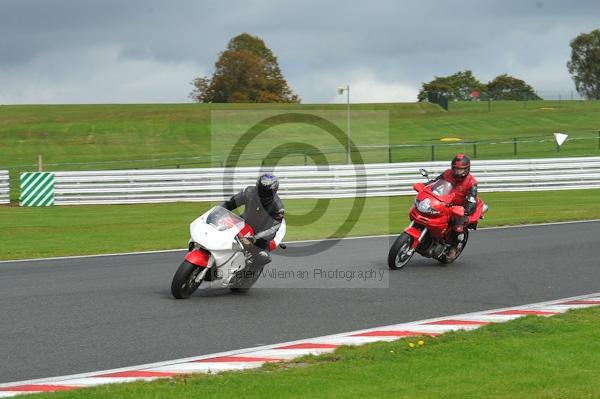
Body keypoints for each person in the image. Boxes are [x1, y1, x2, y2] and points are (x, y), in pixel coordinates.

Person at [222, 173, 285, 269]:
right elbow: (232, 202)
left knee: (263, 257)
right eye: (261, 190)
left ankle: (246, 272)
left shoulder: (278, 207)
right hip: (243, 222)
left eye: (266, 192)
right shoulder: (249, 192)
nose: (262, 193)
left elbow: (273, 229)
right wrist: (217, 211)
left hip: (260, 233)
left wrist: (255, 238)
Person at [433, 154, 478, 259]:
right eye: (456, 169)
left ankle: (453, 247)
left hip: (460, 208)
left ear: (467, 169)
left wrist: (465, 211)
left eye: (461, 169)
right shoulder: (447, 173)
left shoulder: (471, 182)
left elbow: (472, 200)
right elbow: (435, 182)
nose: (458, 172)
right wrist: (424, 185)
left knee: (458, 227)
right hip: (444, 202)